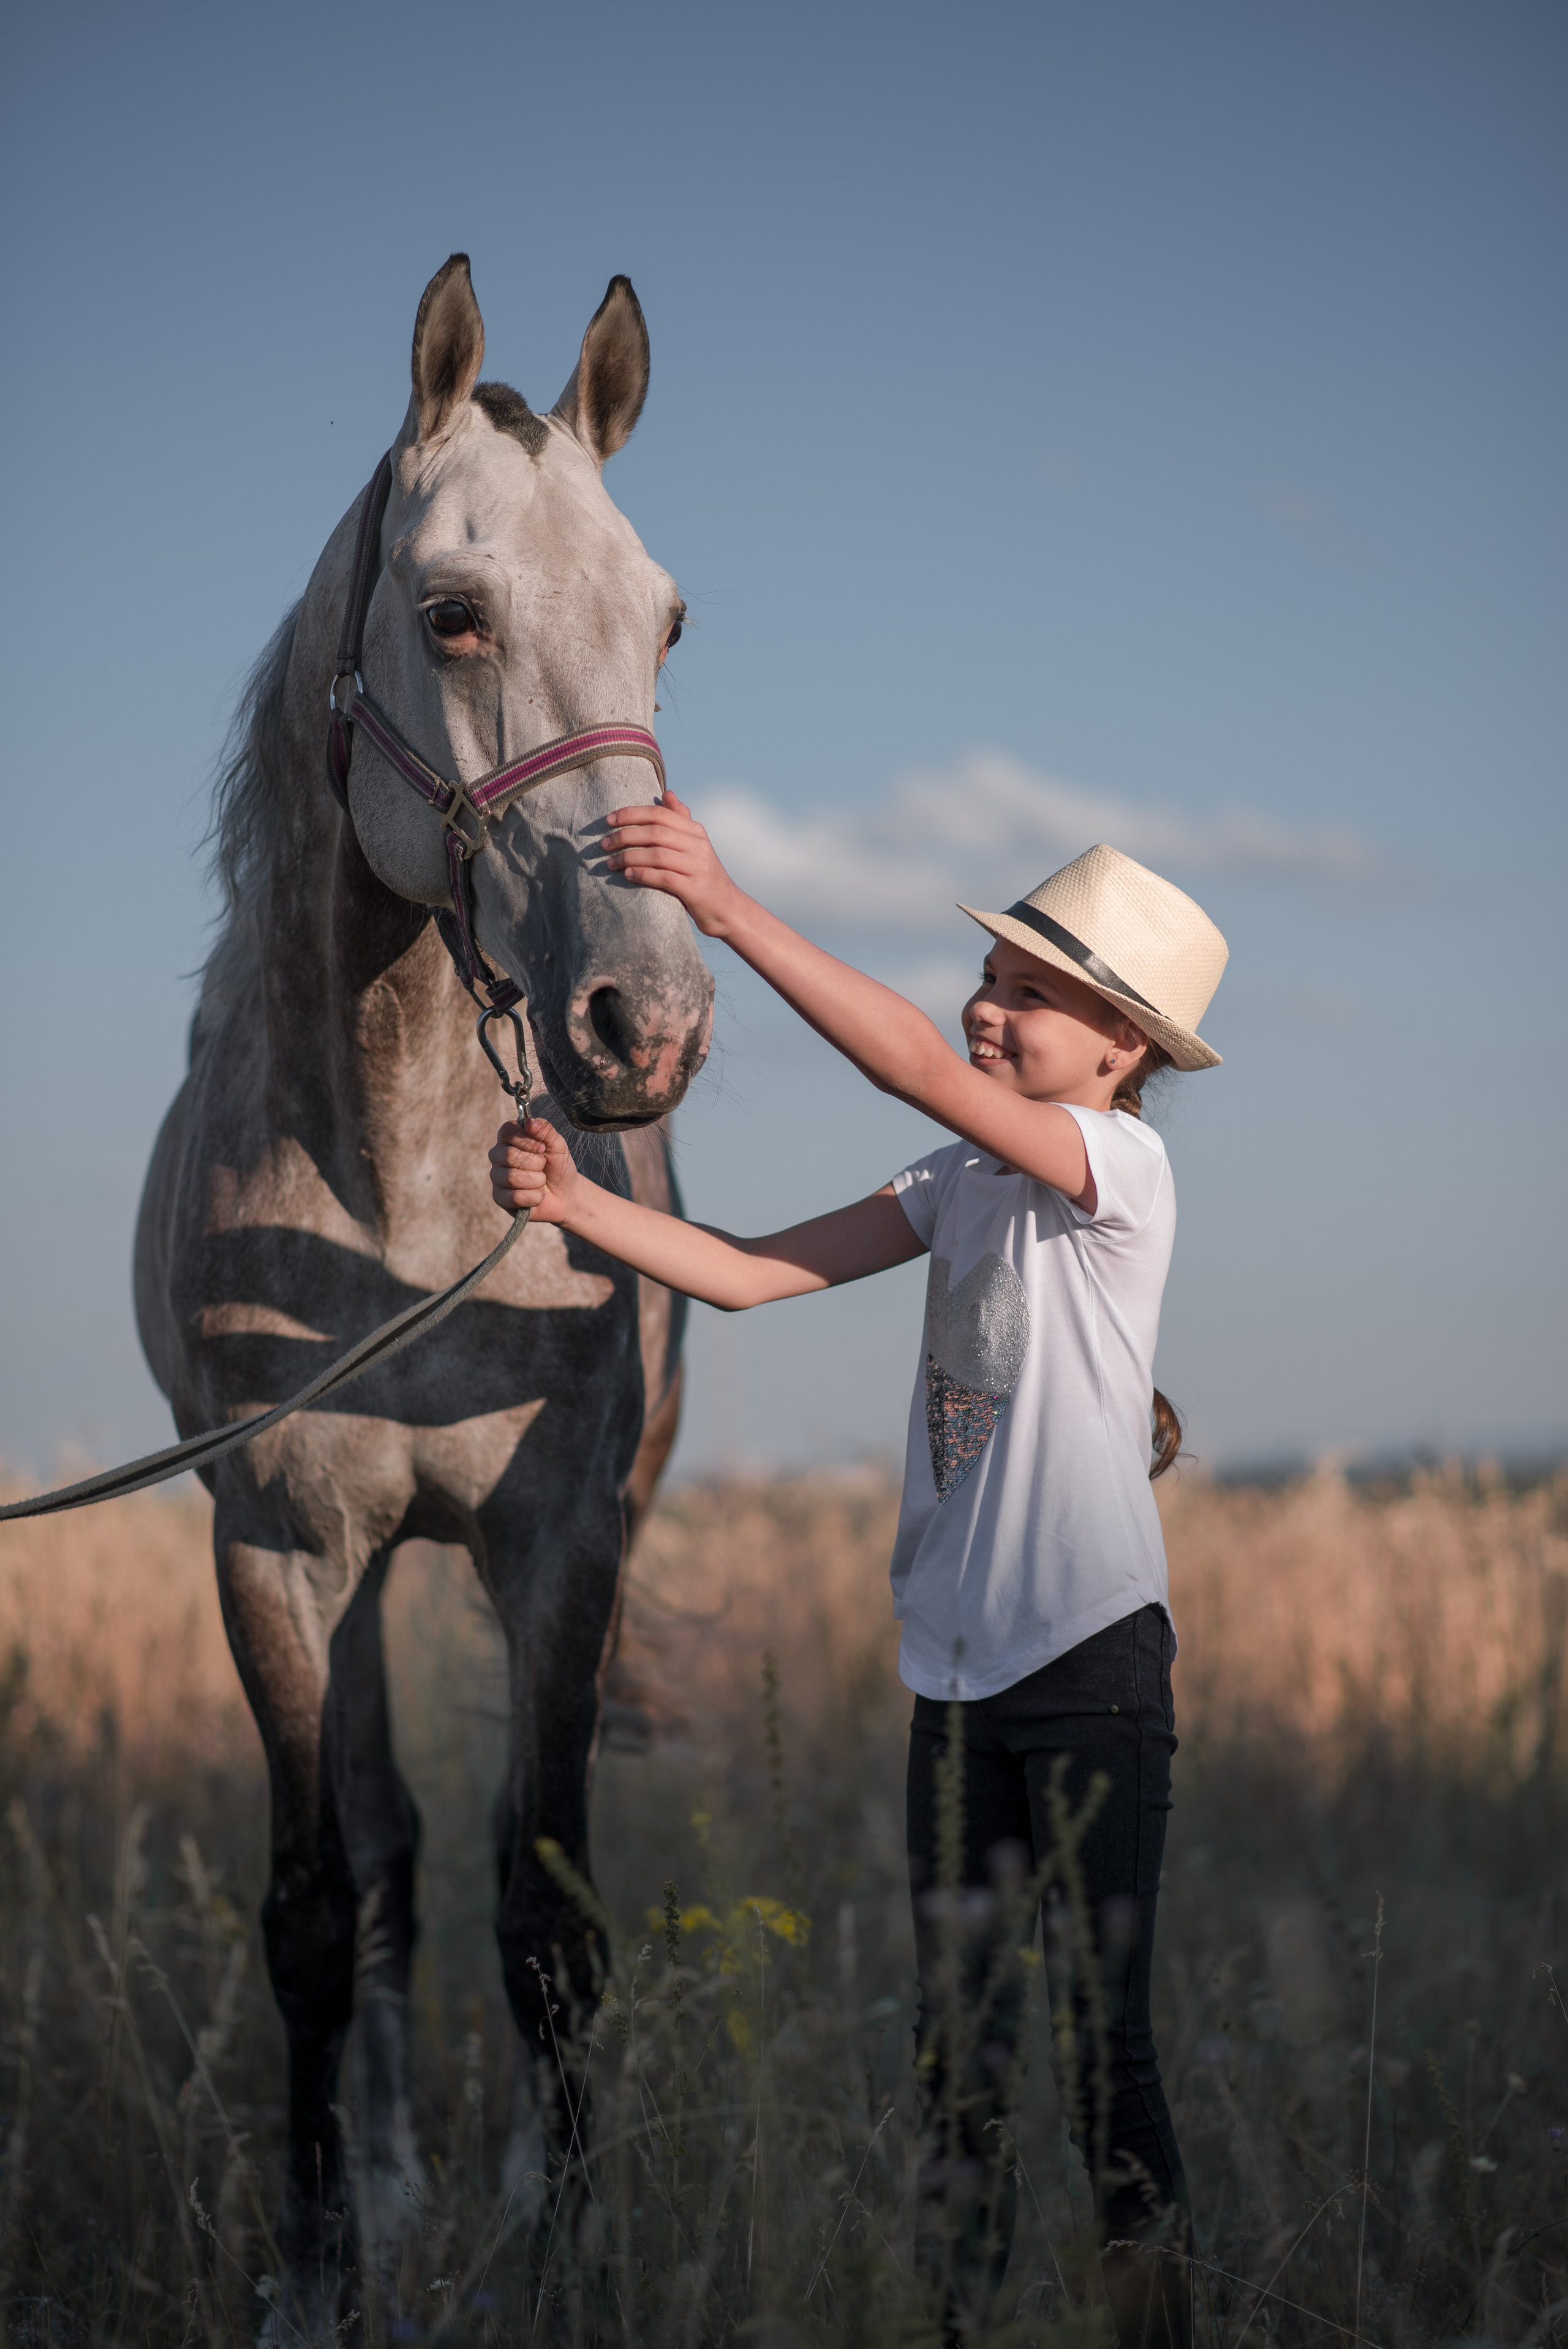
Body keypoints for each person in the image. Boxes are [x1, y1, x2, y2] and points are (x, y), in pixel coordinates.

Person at [489, 800, 1228, 2347]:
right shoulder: (953, 1181)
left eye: (1034, 992)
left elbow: (906, 1056)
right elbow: (754, 1275)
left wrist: (733, 908)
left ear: (1120, 1055)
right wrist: (576, 1205)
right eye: (992, 971)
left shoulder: (1116, 1173)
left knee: (1105, 2065)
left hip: (1090, 1675)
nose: (989, 1001)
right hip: (951, 1689)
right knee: (954, 2064)